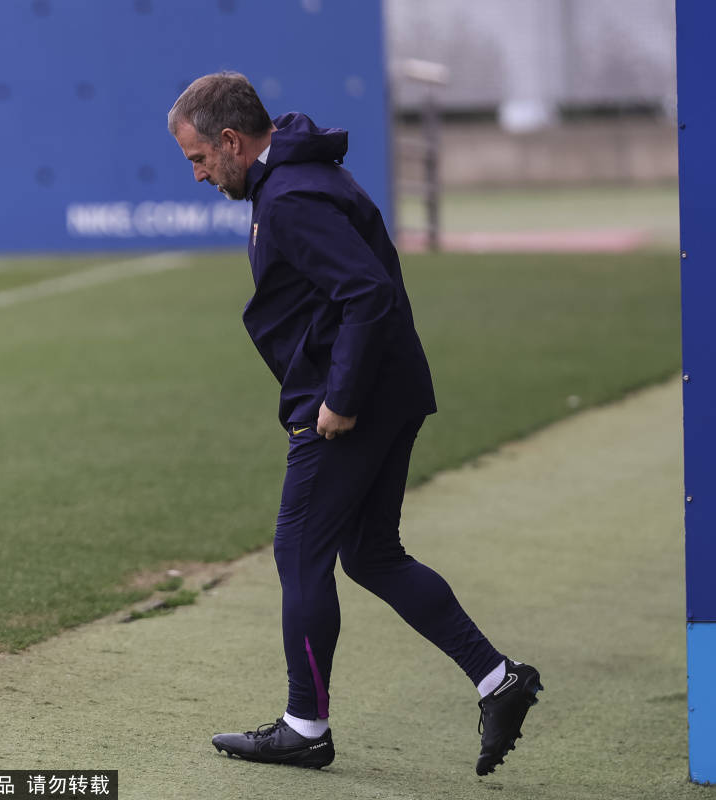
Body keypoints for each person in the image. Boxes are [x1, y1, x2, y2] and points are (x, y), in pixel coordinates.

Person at [167, 72, 542, 777]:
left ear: (231, 141)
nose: (198, 174)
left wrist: (339, 398)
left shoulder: (288, 196)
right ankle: (500, 680)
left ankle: (305, 727)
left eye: (199, 158)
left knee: (299, 553)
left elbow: (365, 292)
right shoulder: (300, 175)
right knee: (371, 554)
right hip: (391, 390)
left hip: (353, 404)